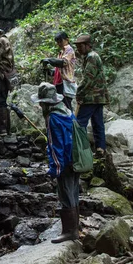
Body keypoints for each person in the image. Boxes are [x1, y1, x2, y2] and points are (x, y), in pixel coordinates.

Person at [31, 82, 79, 243]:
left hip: (64, 162)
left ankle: (69, 232)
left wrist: (55, 168)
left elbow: (55, 145)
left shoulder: (53, 118)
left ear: (45, 103)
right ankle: (75, 229)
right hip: (76, 159)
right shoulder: (68, 112)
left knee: (65, 195)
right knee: (73, 193)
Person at [74, 35, 110, 155]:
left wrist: (79, 92)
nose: (78, 49)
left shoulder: (92, 57)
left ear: (88, 45)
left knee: (80, 123)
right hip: (98, 97)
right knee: (97, 122)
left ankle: (81, 149)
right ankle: (100, 148)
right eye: (77, 46)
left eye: (80, 46)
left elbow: (88, 79)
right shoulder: (89, 57)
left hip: (91, 97)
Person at [41, 32, 77, 110]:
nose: (59, 43)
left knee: (66, 106)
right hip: (59, 82)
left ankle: (71, 121)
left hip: (65, 82)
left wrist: (50, 60)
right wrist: (50, 72)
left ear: (67, 40)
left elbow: (63, 62)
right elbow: (58, 70)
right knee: (61, 105)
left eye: (61, 41)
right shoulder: (61, 52)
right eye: (57, 42)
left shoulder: (69, 50)